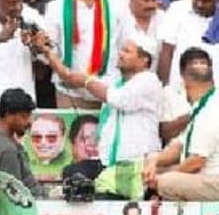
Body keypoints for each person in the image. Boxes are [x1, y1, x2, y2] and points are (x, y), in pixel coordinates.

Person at [143, 47, 219, 201]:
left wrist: (163, 178)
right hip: (207, 179)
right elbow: (178, 147)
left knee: (166, 181)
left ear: (185, 83)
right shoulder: (199, 108)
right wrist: (153, 161)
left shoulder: (211, 111)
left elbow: (196, 162)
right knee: (153, 167)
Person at [44, 33, 162, 167]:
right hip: (110, 161)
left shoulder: (148, 80)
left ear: (144, 60)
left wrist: (86, 81)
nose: (120, 54)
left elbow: (120, 100)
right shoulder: (116, 83)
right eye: (121, 50)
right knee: (74, 173)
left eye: (127, 51)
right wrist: (47, 52)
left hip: (138, 161)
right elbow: (69, 77)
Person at [43, 0, 127, 109]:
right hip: (70, 92)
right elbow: (49, 48)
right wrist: (62, 71)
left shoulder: (116, 1)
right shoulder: (57, 7)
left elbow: (125, 41)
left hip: (108, 89)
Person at [0, 88, 38, 190]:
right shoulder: (8, 150)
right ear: (8, 114)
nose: (30, 122)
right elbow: (15, 194)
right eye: (24, 116)